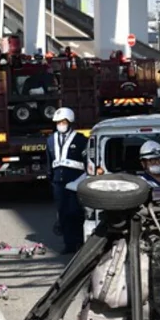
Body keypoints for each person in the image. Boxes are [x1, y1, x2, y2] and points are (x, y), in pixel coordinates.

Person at [46, 107, 88, 254]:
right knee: (63, 213)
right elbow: (49, 162)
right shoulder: (51, 140)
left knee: (75, 212)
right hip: (58, 182)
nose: (61, 125)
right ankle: (69, 244)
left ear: (70, 122)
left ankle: (79, 242)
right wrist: (51, 179)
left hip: (76, 181)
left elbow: (86, 160)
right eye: (58, 122)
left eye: (63, 122)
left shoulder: (81, 139)